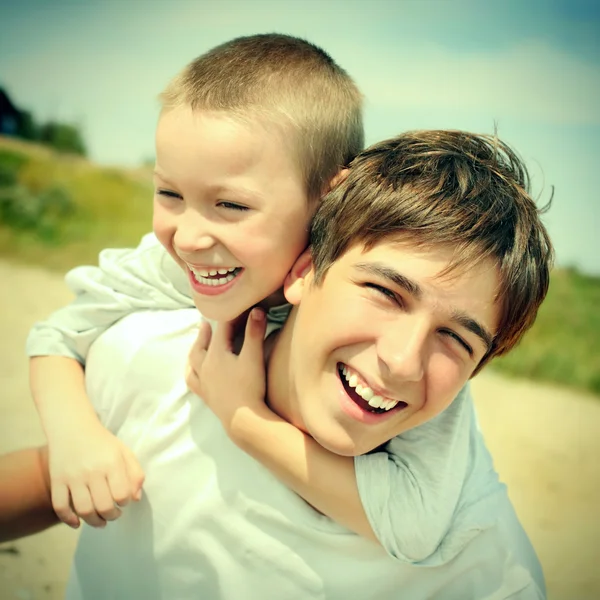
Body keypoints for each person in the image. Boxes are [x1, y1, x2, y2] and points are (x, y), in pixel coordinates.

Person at [4, 130, 552, 598]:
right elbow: (59, 477)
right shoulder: (173, 358)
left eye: (456, 338)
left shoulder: (484, 563)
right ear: (303, 270)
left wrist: (244, 418)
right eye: (386, 293)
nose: (403, 361)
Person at [24, 33, 486, 563]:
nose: (190, 237)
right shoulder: (170, 262)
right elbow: (59, 335)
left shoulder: (402, 347)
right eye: (169, 194)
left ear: (329, 200)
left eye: (230, 205)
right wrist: (74, 436)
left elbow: (413, 524)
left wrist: (242, 416)